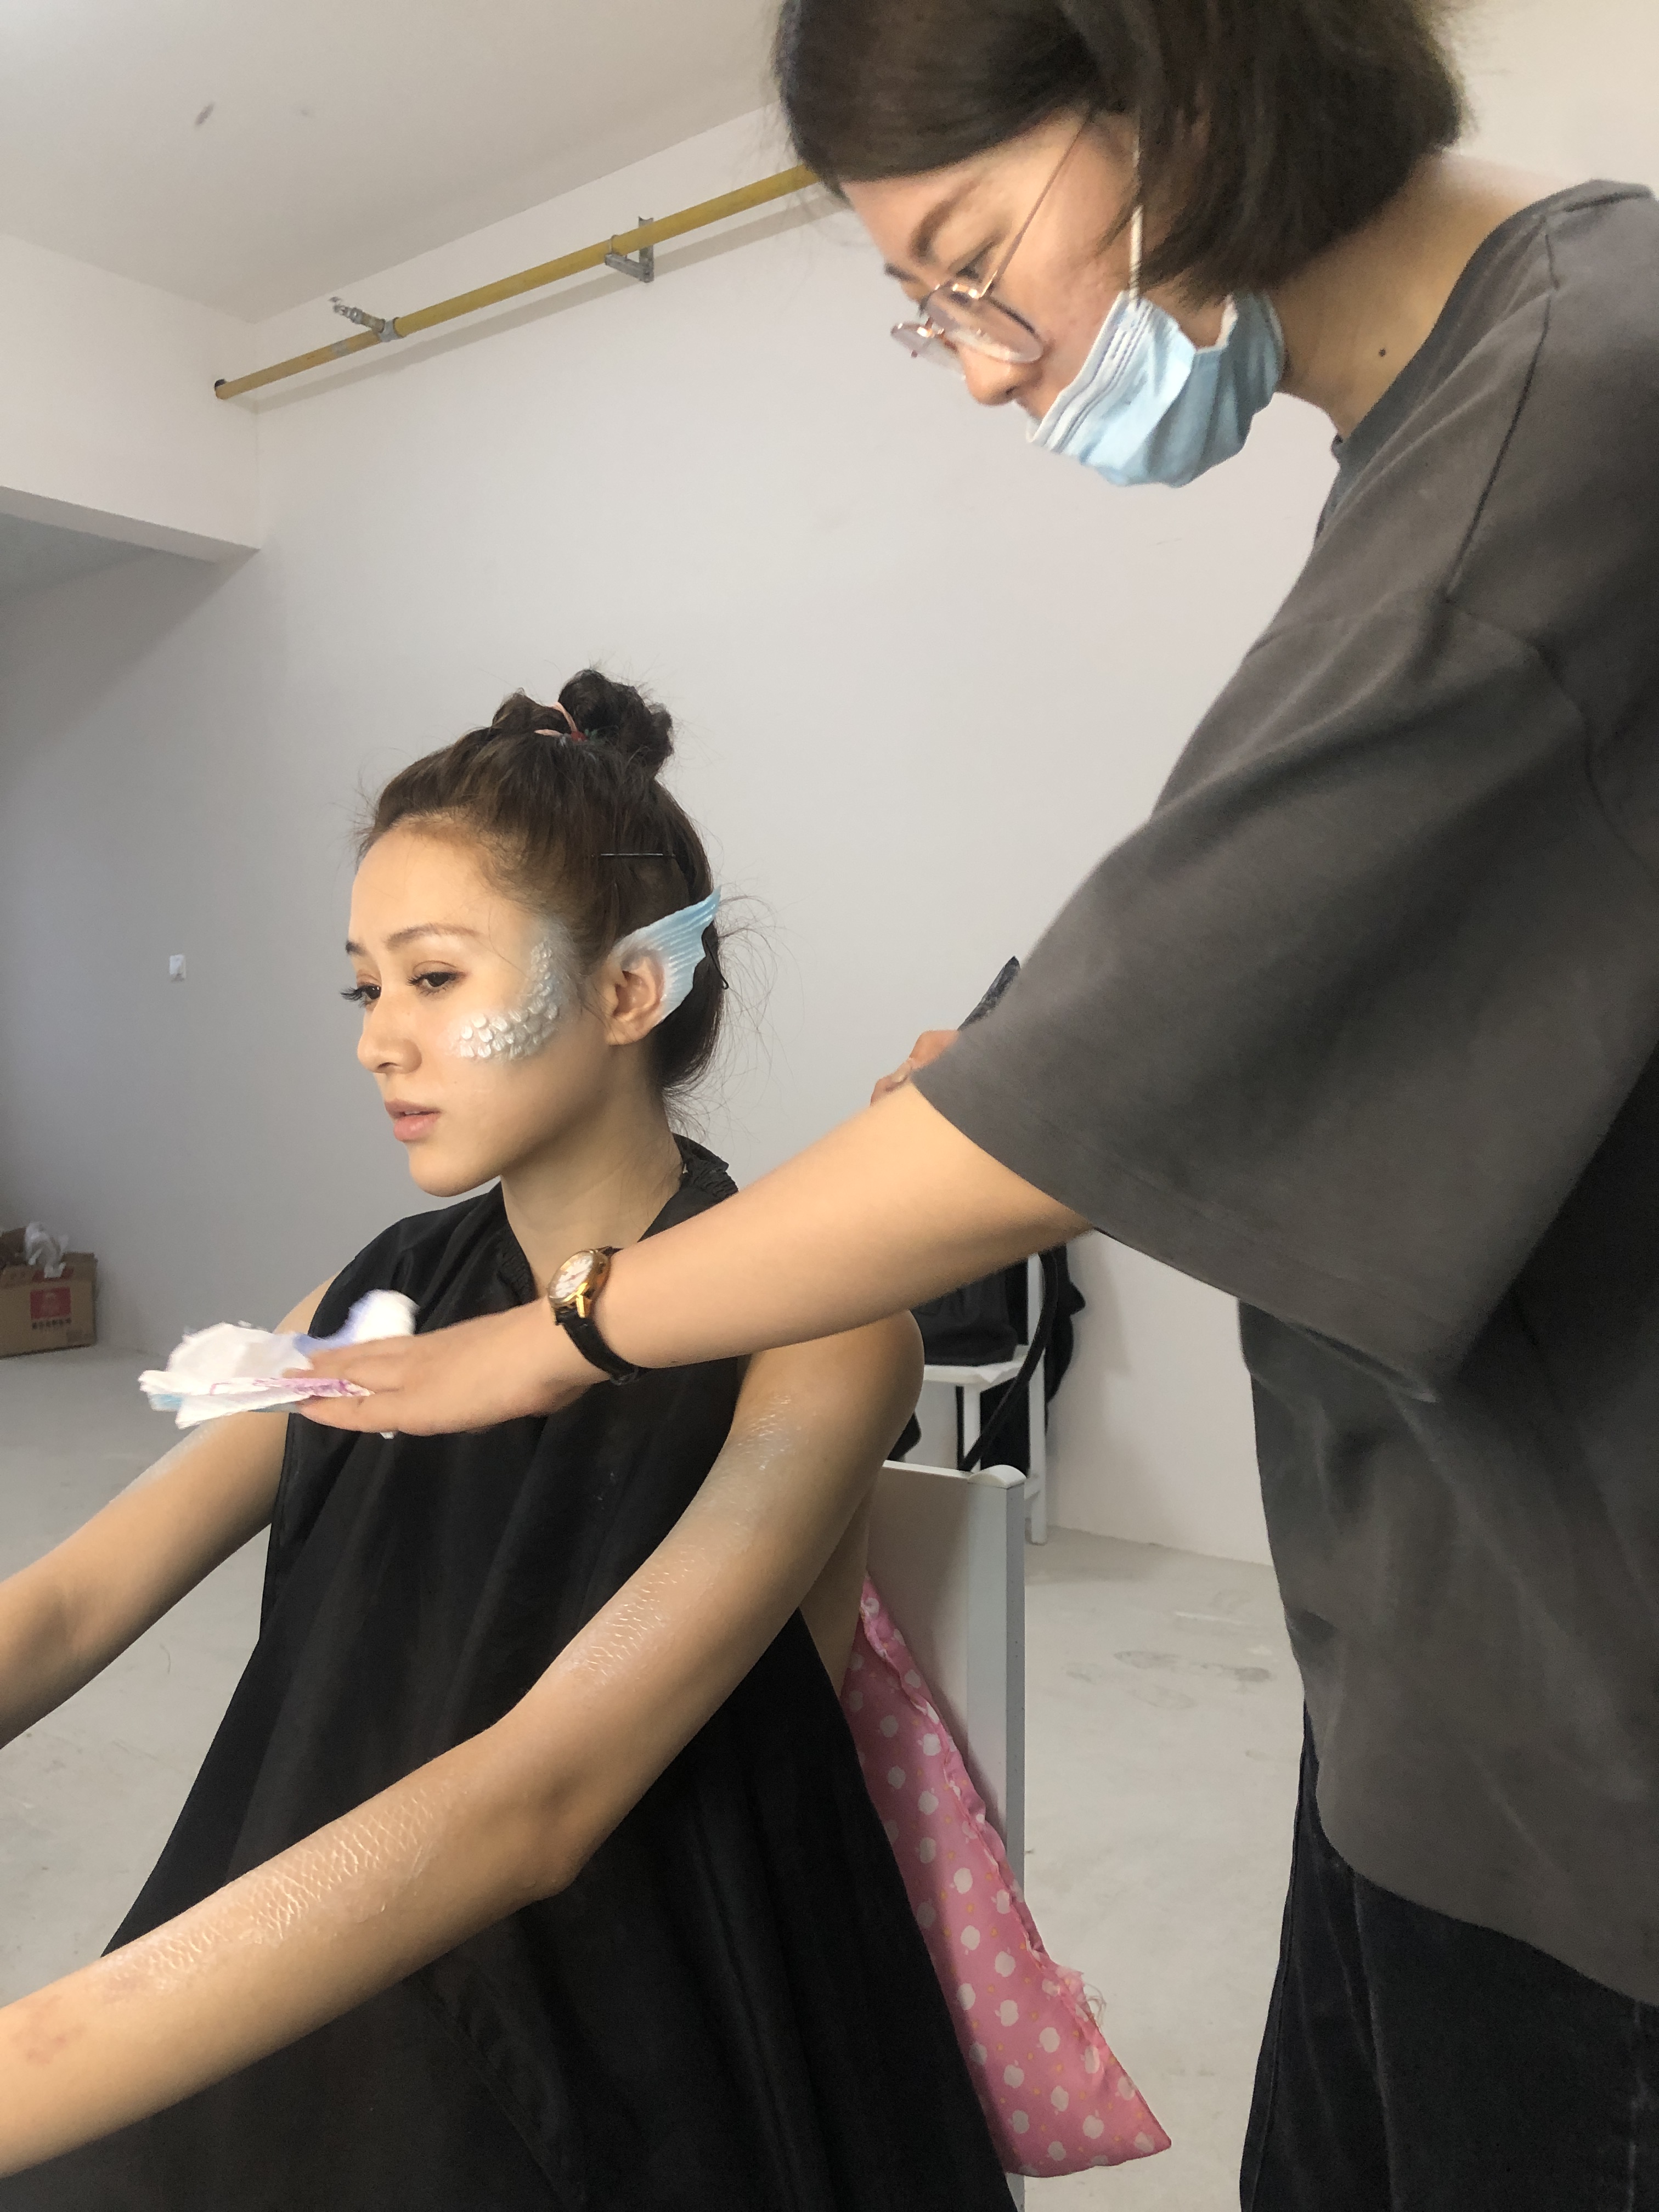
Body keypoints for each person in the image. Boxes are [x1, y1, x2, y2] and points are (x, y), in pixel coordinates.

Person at [297, 6, 1659, 2208]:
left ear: (1188, 85)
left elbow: (1093, 1089)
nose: (985, 370)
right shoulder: (1439, 439)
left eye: (970, 265)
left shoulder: (1570, 425)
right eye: (362, 983)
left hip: (1588, 1764)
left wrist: (563, 1334)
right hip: (1428, 1695)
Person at [0, 673, 1013, 2208]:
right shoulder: (368, 1308)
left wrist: (42, 2055)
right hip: (336, 1948)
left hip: (628, 2052)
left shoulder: (821, 1340)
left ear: (627, 992)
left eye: (434, 978)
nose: (378, 1043)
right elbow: (74, 1603)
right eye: (365, 989)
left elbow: (539, 1806)